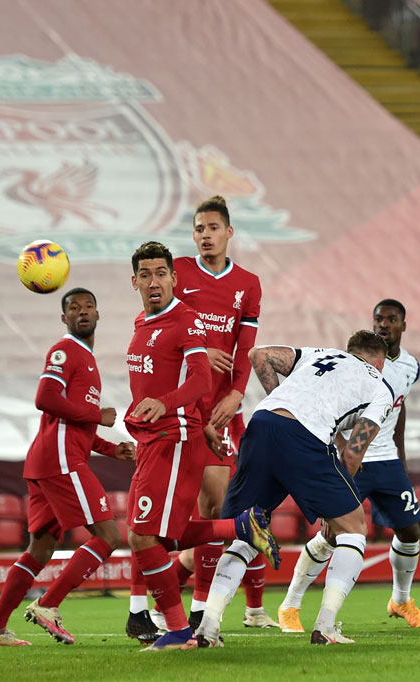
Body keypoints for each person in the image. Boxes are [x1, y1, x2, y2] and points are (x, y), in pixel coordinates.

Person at [123, 241, 278, 652]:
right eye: (145, 275)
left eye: (161, 274)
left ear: (174, 278)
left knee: (143, 536)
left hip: (173, 439)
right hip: (153, 438)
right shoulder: (143, 321)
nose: (154, 282)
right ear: (134, 281)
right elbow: (156, 378)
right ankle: (241, 527)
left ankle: (177, 630)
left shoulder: (186, 320)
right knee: (148, 535)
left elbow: (200, 380)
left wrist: (168, 405)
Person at [194, 330, 395, 647]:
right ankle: (326, 626)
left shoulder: (321, 355)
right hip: (305, 437)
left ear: (349, 350)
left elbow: (259, 355)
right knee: (354, 528)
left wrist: (282, 400)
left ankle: (207, 627)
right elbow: (352, 454)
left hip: (262, 424)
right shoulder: (381, 386)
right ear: (380, 362)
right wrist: (336, 506)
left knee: (246, 531)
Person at [0, 288, 136, 647]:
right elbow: (44, 398)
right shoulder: (65, 351)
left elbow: (74, 426)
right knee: (109, 536)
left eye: (89, 306)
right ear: (64, 318)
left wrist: (111, 449)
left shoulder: (87, 359)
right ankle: (48, 605)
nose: (83, 312)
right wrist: (97, 414)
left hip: (48, 460)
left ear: (98, 314)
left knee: (41, 549)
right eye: (74, 308)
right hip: (61, 461)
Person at [278, 299, 420, 632]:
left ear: (404, 325)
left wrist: (401, 457)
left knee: (410, 531)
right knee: (332, 534)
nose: (384, 324)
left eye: (391, 319)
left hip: (387, 461)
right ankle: (290, 604)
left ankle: (401, 600)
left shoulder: (410, 366)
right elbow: (325, 408)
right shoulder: (351, 364)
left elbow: (398, 406)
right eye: (379, 319)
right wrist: (340, 445)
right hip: (352, 460)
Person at [169, 195, 271, 631]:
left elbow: (245, 350)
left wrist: (237, 395)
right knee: (204, 515)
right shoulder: (177, 273)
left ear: (229, 233)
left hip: (224, 411)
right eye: (199, 229)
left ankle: (194, 605)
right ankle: (186, 611)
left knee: (228, 511)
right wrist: (197, 348)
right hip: (183, 408)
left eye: (213, 228)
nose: (205, 235)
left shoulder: (247, 283)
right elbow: (159, 331)